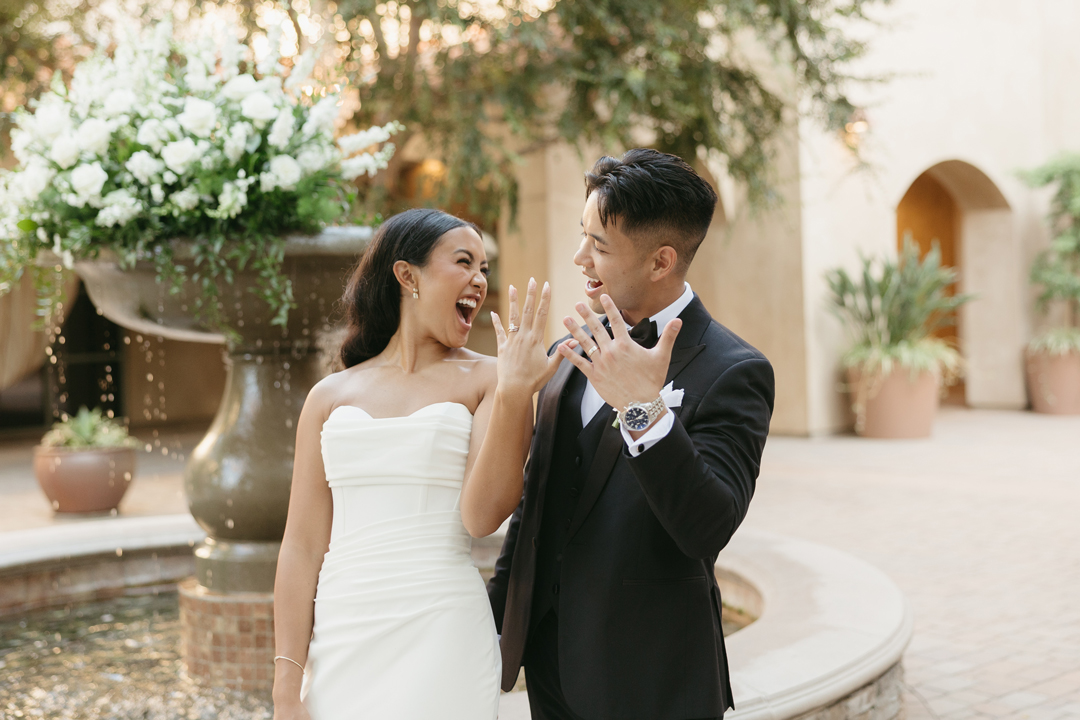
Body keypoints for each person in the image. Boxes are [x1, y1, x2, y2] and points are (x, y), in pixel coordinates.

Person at [487, 149, 776, 720]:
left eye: (598, 245)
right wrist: (494, 627)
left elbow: (707, 527)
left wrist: (643, 409)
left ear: (661, 260)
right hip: (550, 667)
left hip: (653, 679)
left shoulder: (733, 370)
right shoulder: (568, 351)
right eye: (582, 236)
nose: (579, 258)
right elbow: (535, 505)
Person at [270, 208, 561, 720]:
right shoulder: (328, 397)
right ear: (407, 276)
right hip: (344, 634)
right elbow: (301, 546)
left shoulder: (493, 380)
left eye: (485, 269)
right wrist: (285, 683)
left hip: (443, 629)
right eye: (464, 261)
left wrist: (516, 394)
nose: (480, 279)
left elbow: (483, 516)